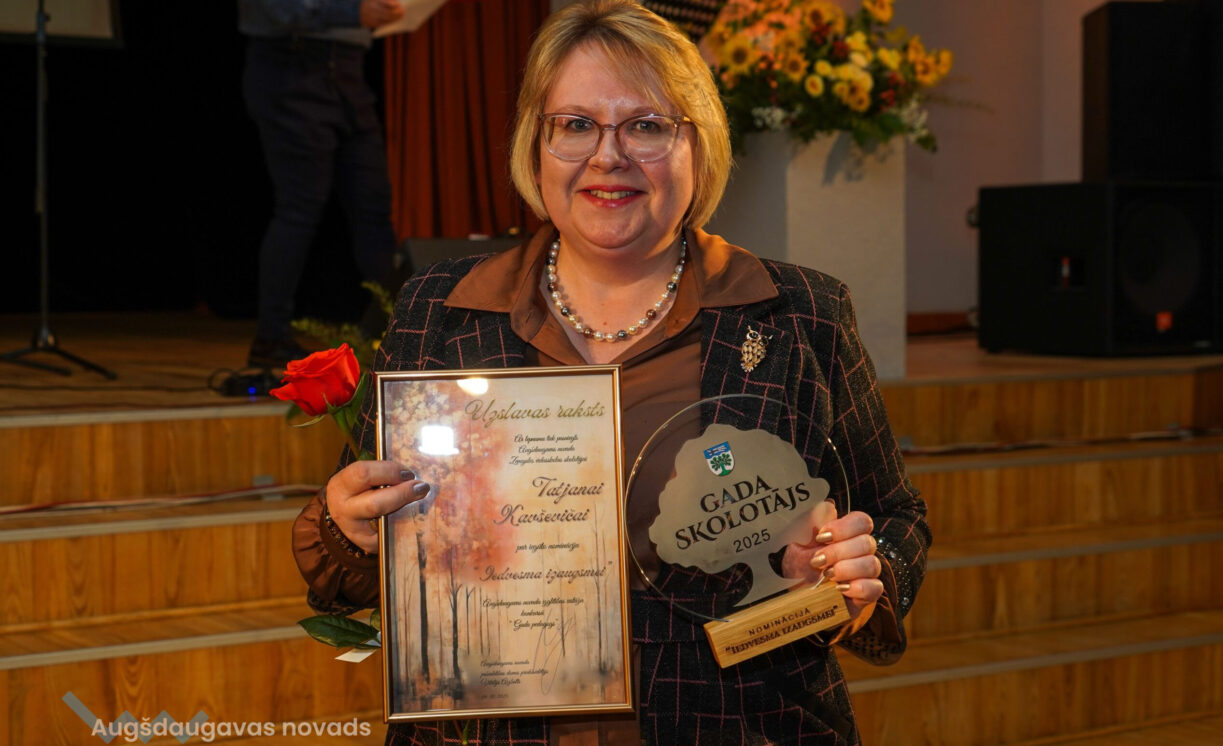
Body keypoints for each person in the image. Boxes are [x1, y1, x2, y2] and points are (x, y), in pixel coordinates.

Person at [292, 1, 930, 743]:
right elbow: (361, 540)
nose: (608, 156)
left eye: (647, 126)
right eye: (576, 124)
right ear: (537, 145)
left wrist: (861, 572)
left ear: (699, 146)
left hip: (736, 724)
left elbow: (895, 515)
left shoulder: (800, 314)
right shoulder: (440, 310)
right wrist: (349, 527)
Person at [239, 0, 404, 368]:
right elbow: (273, 9)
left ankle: (402, 332)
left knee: (373, 206)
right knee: (299, 207)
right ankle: (271, 338)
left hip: (348, 67)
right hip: (292, 64)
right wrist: (352, 13)